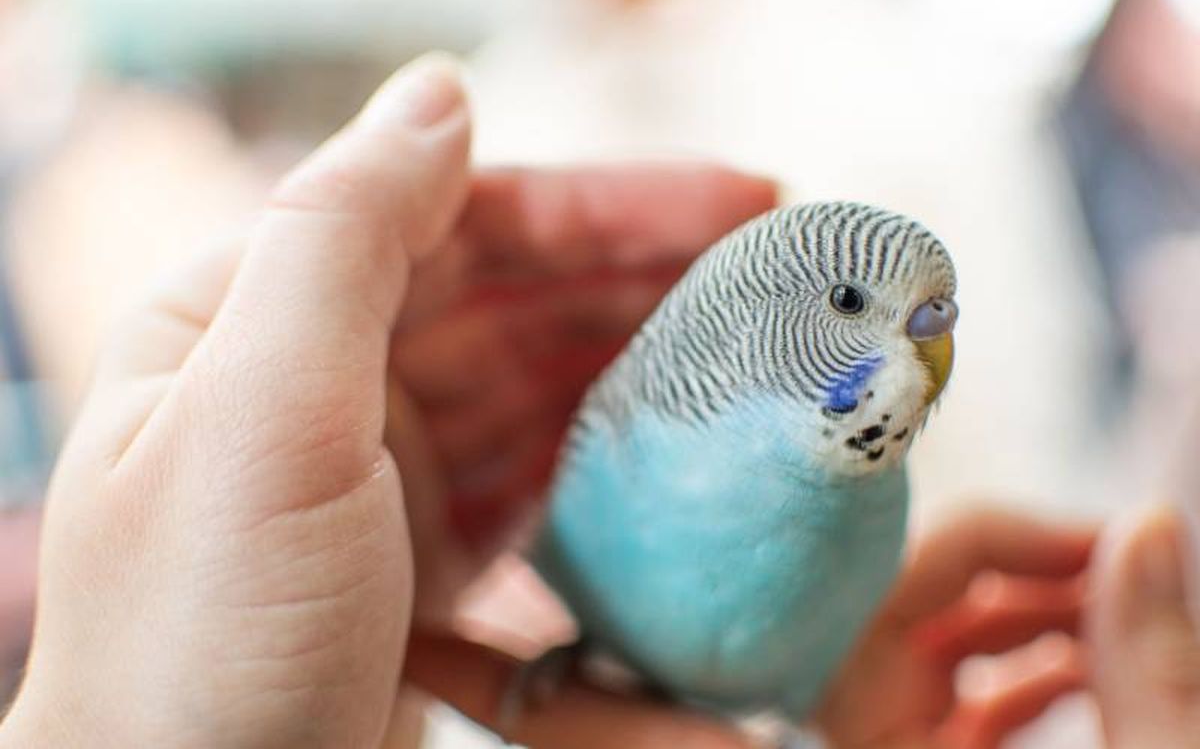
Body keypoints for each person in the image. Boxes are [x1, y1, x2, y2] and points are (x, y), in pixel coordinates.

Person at [0, 55, 1193, 749]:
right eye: (865, 307)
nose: (925, 342)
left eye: (932, 319)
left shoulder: (879, 491)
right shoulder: (633, 429)